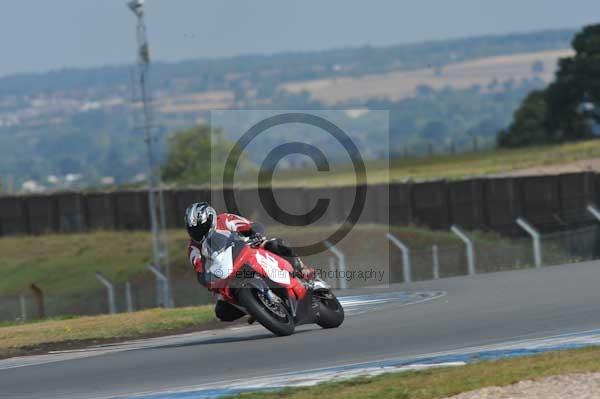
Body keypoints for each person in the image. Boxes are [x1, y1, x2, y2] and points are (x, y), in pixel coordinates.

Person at [185, 201, 314, 322]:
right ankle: (256, 308)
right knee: (222, 312)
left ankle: (302, 269)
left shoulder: (224, 220)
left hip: (247, 250)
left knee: (275, 244)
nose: (198, 233)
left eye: (201, 227)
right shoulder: (193, 248)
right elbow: (199, 269)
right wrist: (207, 280)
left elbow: (250, 225)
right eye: (194, 230)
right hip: (226, 271)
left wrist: (255, 234)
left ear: (210, 219)